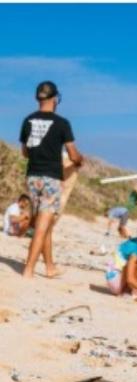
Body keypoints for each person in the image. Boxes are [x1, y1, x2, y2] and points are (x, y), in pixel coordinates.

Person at [19, 81, 84, 278]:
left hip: (32, 177)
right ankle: (28, 269)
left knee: (43, 224)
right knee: (42, 226)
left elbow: (25, 152)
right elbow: (73, 155)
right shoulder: (62, 123)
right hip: (51, 178)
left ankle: (49, 267)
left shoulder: (28, 120)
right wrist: (81, 160)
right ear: (55, 98)